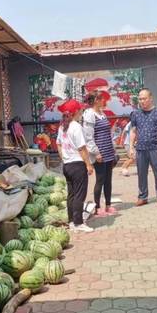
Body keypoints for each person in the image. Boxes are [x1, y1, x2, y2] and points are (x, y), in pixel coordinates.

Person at [56, 99, 95, 232]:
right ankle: (78, 223)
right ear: (75, 112)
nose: (81, 111)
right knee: (79, 194)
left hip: (67, 165)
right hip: (78, 165)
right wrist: (88, 165)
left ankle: (72, 221)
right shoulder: (76, 127)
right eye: (80, 110)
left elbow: (58, 144)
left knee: (71, 194)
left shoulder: (62, 126)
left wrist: (64, 158)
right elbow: (82, 148)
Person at [129, 88, 157, 207]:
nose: (142, 101)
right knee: (141, 174)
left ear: (150, 98)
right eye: (140, 99)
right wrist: (131, 147)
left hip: (155, 147)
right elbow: (133, 130)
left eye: (144, 98)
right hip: (140, 148)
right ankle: (143, 197)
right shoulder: (135, 114)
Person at [82, 90, 117, 217]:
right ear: (96, 100)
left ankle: (108, 205)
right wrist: (96, 153)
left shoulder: (101, 113)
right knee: (100, 180)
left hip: (108, 151)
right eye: (102, 98)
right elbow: (88, 137)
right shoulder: (90, 114)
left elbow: (108, 133)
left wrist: (113, 148)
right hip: (99, 153)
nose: (104, 101)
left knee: (108, 180)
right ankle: (97, 207)